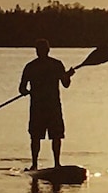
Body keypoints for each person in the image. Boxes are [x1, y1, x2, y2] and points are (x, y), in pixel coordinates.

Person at [18, 39, 75, 171]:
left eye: (42, 50)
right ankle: (35, 164)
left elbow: (65, 84)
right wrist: (26, 91)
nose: (40, 52)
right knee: (36, 136)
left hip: (52, 107)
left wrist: (68, 76)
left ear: (47, 50)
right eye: (39, 50)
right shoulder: (31, 67)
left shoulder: (55, 65)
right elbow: (21, 88)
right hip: (39, 108)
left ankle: (56, 163)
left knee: (56, 136)